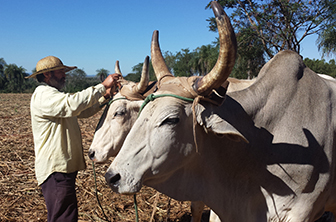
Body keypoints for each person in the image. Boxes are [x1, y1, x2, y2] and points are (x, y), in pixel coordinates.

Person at [27, 55, 120, 222]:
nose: (64, 75)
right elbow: (73, 104)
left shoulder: (55, 97)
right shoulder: (44, 94)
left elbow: (81, 111)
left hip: (62, 168)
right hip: (55, 168)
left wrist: (105, 96)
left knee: (63, 213)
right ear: (47, 75)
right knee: (64, 216)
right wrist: (102, 86)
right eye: (61, 71)